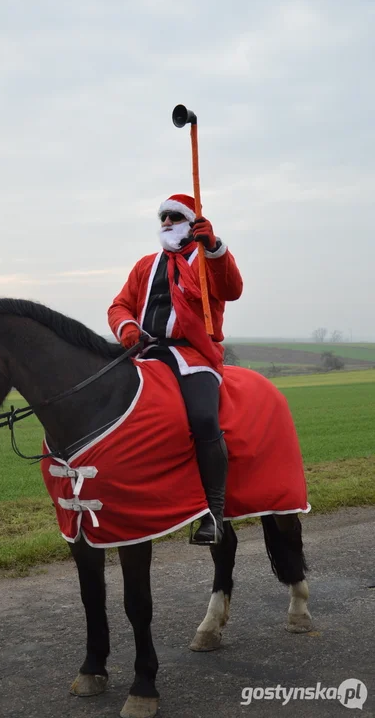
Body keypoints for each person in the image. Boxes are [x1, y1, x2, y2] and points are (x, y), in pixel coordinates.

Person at [107, 194, 243, 544]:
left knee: (203, 418)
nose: (165, 221)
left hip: (194, 356)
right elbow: (120, 305)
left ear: (190, 222)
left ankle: (214, 512)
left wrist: (214, 246)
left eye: (173, 216)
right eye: (162, 217)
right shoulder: (145, 265)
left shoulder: (207, 261)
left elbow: (233, 289)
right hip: (146, 352)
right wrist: (128, 329)